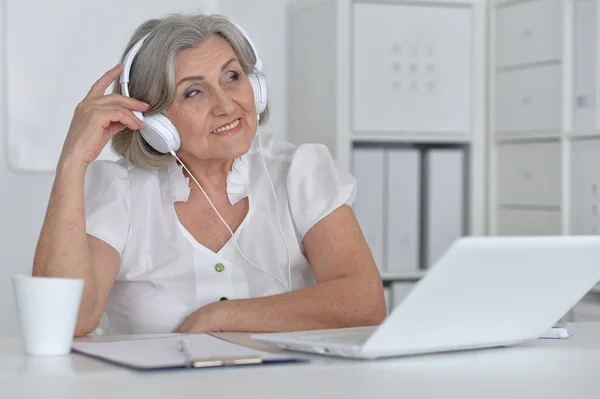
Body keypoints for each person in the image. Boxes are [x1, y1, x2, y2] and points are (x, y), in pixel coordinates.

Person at [32, 12, 386, 336]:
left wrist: (220, 317)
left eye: (232, 77)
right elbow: (67, 322)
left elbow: (364, 302)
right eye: (194, 92)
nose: (226, 105)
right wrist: (72, 163)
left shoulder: (298, 172)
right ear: (154, 121)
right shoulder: (119, 191)